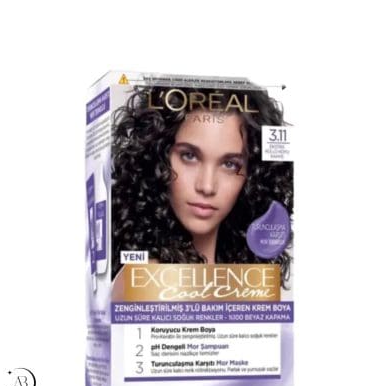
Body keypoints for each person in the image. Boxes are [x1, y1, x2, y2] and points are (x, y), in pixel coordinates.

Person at [111, 85, 293, 297]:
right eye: (189, 156)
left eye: (230, 164)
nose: (207, 186)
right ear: (157, 155)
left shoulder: (238, 276)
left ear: (253, 176)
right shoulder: (150, 277)